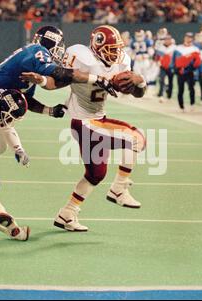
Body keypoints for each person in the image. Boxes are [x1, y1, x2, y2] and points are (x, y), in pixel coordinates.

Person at [0, 26, 117, 166]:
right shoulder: (37, 51)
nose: (60, 51)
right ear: (51, 42)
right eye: (59, 46)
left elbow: (26, 100)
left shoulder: (32, 61)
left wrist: (49, 110)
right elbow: (58, 73)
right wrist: (96, 79)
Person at [49, 25, 147, 232]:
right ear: (96, 46)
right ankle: (119, 189)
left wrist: (139, 80)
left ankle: (66, 214)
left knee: (95, 174)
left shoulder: (122, 61)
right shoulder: (81, 57)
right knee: (136, 138)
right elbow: (57, 80)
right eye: (110, 49)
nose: (115, 54)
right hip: (84, 122)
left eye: (116, 49)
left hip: (95, 120)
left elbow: (138, 94)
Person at [172, 32, 201, 111]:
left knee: (191, 88)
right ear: (184, 38)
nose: (189, 39)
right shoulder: (178, 48)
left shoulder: (195, 49)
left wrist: (194, 69)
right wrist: (175, 69)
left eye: (190, 37)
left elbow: (198, 62)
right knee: (180, 89)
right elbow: (174, 60)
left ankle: (192, 104)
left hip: (190, 72)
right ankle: (181, 106)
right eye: (187, 37)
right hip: (180, 72)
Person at [156, 34, 176, 102]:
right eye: (166, 39)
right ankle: (161, 94)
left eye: (168, 39)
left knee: (170, 81)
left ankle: (169, 95)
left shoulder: (174, 47)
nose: (167, 40)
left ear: (171, 40)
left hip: (171, 67)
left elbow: (176, 58)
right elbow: (157, 57)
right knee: (162, 80)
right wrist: (158, 61)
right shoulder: (160, 47)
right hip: (162, 66)